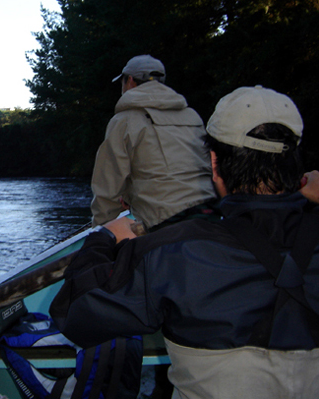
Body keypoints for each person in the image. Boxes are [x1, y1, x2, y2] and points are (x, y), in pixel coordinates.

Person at [51, 86, 319, 398]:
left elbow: (72, 312)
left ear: (214, 163)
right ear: (297, 164)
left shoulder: (173, 252)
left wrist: (108, 239)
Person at [90, 55, 216, 231]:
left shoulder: (124, 120)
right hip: (210, 213)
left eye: (122, 82)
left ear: (130, 81)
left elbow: (106, 189)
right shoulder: (192, 115)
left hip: (163, 224)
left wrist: (102, 233)